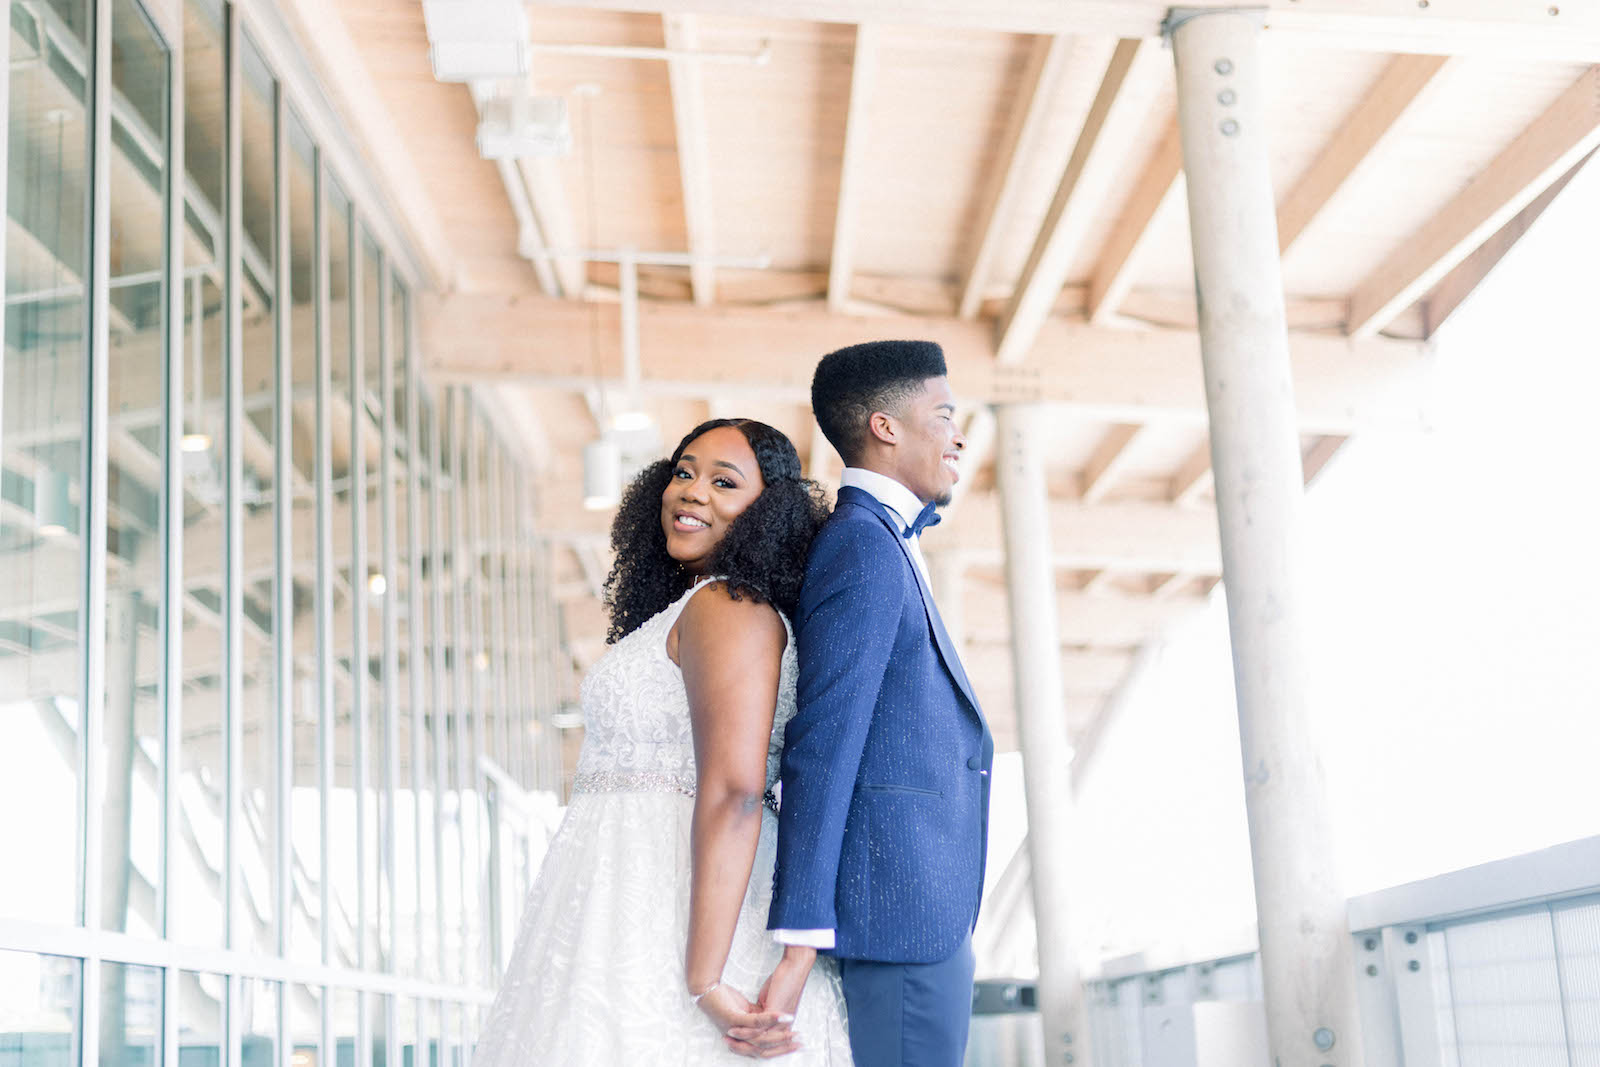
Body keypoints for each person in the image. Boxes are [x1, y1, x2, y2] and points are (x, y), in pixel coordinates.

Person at [472, 419, 853, 1065]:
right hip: (623, 899)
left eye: (724, 482)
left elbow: (736, 792)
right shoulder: (695, 606)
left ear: (770, 511)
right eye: (683, 472)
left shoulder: (730, 607)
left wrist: (705, 976)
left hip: (674, 911)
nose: (692, 491)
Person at [760, 341, 994, 1067]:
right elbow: (822, 743)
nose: (958, 434)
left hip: (918, 905)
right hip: (897, 912)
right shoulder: (862, 545)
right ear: (886, 426)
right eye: (945, 413)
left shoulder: (883, 540)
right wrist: (800, 938)